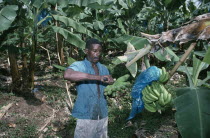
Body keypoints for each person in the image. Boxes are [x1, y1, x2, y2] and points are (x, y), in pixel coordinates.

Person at [64, 38, 114, 138]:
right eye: (94, 51)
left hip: (102, 114)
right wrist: (98, 78)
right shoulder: (79, 65)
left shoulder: (103, 68)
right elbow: (67, 75)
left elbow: (107, 87)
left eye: (100, 51)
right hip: (86, 114)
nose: (97, 54)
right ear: (87, 51)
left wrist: (112, 84)